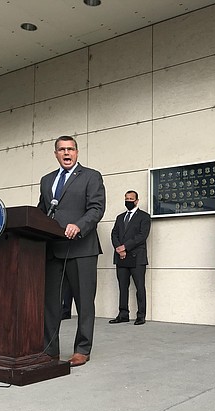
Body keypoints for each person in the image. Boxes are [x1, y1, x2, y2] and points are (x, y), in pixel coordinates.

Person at [38, 135, 105, 367]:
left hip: (82, 248)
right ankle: (50, 349)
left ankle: (82, 349)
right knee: (50, 304)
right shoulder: (46, 181)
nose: (66, 153)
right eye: (61, 149)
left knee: (84, 302)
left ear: (77, 152)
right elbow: (42, 212)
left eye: (71, 149)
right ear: (55, 154)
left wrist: (80, 226)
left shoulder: (91, 176)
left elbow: (96, 209)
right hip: (53, 249)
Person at [109, 190, 152, 325]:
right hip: (121, 257)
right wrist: (118, 248)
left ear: (136, 201)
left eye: (131, 199)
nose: (128, 201)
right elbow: (114, 234)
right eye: (126, 198)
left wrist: (124, 247)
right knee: (122, 287)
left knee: (140, 287)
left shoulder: (144, 217)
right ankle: (123, 314)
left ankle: (141, 315)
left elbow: (142, 236)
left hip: (137, 257)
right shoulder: (120, 217)